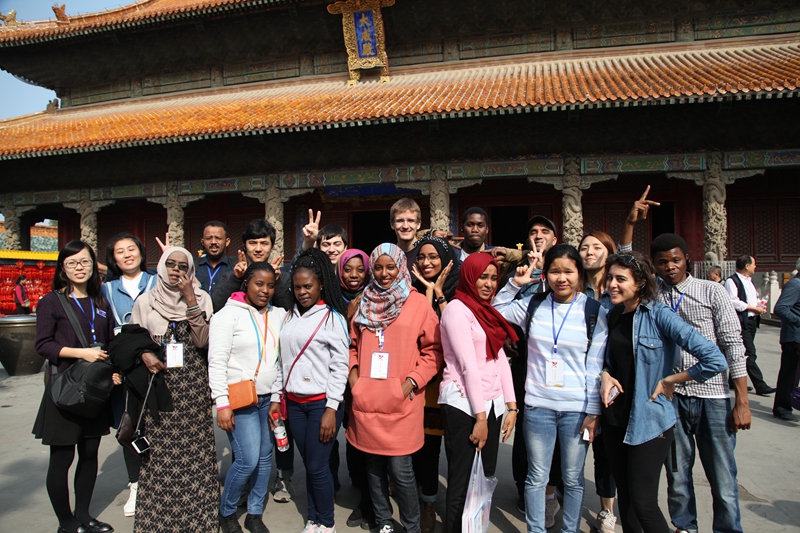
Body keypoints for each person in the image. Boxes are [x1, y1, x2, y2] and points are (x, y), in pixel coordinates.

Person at [600, 252, 728, 533]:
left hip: (649, 420)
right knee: (627, 500)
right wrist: (605, 373)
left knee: (644, 504)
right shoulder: (614, 314)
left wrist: (674, 379)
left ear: (641, 283)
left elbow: (715, 359)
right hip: (614, 419)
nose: (612, 284)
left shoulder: (660, 315)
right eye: (610, 278)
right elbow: (610, 360)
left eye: (621, 279)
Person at [494, 244, 609, 533]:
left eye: (568, 271)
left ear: (579, 274)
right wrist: (515, 284)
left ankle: (569, 530)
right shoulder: (534, 305)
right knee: (536, 477)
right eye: (555, 271)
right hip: (538, 406)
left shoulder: (594, 311)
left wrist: (593, 412)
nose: (562, 278)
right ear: (545, 274)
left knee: (573, 478)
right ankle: (536, 529)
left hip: (576, 409)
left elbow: (595, 366)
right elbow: (495, 311)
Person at [649, 233, 750, 533]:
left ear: (687, 260)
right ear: (654, 265)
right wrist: (630, 223)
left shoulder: (712, 291)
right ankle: (685, 527)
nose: (670, 267)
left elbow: (733, 345)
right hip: (671, 397)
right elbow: (626, 261)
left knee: (722, 476)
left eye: (676, 260)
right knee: (677, 475)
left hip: (713, 396)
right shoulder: (653, 294)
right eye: (662, 262)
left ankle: (728, 529)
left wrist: (742, 402)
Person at [347, 243, 443, 533]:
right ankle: (384, 522)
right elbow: (352, 346)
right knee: (374, 469)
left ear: (400, 267)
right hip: (367, 401)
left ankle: (412, 526)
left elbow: (433, 350)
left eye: (391, 267)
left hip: (402, 402)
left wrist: (411, 382)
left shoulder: (418, 304)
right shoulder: (364, 301)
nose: (384, 273)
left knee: (401, 472)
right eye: (378, 267)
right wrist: (354, 379)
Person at [33, 240, 119, 533]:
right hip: (66, 389)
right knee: (62, 458)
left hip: (94, 390)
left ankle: (83, 515)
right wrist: (81, 353)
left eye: (84, 262)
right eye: (72, 263)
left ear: (93, 265)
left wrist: (114, 371)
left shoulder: (100, 301)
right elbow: (43, 344)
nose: (79, 268)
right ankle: (66, 522)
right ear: (63, 268)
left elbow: (110, 341)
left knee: (90, 453)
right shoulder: (51, 301)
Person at [130, 246, 218, 533]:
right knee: (160, 456)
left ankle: (198, 521)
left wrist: (191, 299)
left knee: (195, 455)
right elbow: (132, 340)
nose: (176, 271)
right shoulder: (147, 301)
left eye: (182, 266)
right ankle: (159, 523)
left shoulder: (203, 298)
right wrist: (145, 353)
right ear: (161, 267)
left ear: (190, 270)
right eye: (171, 264)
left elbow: (203, 341)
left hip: (193, 389)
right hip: (159, 386)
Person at [268, 248, 350, 533]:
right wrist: (276, 398)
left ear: (321, 285)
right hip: (294, 405)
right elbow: (281, 362)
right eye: (297, 287)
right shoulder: (289, 317)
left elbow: (340, 367)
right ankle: (313, 519)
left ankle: (327, 523)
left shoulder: (333, 318)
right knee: (310, 464)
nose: (302, 292)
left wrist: (331, 408)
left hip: (321, 405)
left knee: (317, 466)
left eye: (308, 286)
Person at [439, 252, 517, 533]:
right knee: (462, 482)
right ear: (469, 277)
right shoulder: (457, 310)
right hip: (464, 404)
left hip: (492, 403)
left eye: (494, 278)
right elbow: (468, 365)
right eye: (483, 277)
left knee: (484, 478)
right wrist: (480, 418)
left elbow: (499, 358)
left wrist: (511, 406)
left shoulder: (486, 309)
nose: (489, 284)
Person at [490, 215, 561, 522]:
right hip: (524, 360)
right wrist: (506, 338)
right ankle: (524, 487)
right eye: (533, 231)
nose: (538, 236)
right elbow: (499, 310)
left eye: (545, 231)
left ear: (555, 240)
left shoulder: (563, 269)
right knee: (524, 428)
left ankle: (552, 488)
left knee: (558, 426)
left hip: (558, 366)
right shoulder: (517, 270)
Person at [209, 262, 287, 533]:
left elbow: (281, 361)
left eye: (270, 285)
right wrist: (222, 404)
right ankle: (227, 512)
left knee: (265, 458)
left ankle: (254, 513)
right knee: (246, 460)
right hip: (241, 400)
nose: (265, 290)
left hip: (268, 399)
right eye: (259, 284)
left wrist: (276, 397)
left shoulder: (279, 314)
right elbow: (216, 362)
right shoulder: (226, 315)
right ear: (246, 284)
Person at [101, 232, 158, 517]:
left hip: (156, 364)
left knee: (159, 424)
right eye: (120, 251)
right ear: (113, 259)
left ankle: (159, 482)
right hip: (125, 367)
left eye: (131, 249)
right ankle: (136, 485)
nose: (127, 255)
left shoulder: (156, 281)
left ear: (141, 252)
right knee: (130, 426)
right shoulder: (107, 290)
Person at [409, 236, 459, 533]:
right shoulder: (410, 291)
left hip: (454, 383)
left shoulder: (460, 291)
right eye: (422, 257)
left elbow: (455, 333)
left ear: (446, 260)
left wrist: (438, 294)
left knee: (455, 450)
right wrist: (425, 295)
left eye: (433, 257)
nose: (426, 262)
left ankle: (457, 506)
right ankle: (428, 501)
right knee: (427, 449)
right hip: (425, 383)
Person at [577, 230, 619, 532]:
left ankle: (607, 510)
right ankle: (562, 498)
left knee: (606, 450)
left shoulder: (617, 290)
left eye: (596, 247)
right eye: (584, 247)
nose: (589, 252)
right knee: (573, 446)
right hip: (575, 379)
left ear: (609, 252)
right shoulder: (572, 287)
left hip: (610, 378)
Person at [724, 255, 774, 395]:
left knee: (742, 351)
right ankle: (760, 385)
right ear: (747, 266)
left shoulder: (749, 281)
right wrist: (752, 308)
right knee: (749, 353)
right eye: (753, 264)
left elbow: (753, 299)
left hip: (752, 321)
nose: (755, 267)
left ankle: (733, 381)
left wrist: (759, 306)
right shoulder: (732, 281)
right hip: (742, 321)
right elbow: (733, 301)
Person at [772, 257, 800, 421]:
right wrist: (798, 320)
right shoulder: (795, 285)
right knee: (790, 375)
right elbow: (780, 308)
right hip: (794, 338)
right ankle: (782, 407)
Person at [195, 221, 233, 296]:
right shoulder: (194, 265)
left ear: (227, 242)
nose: (213, 242)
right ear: (202, 241)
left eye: (218, 238)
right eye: (208, 238)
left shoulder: (234, 267)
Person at [339, 248, 370, 321]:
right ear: (340, 272)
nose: (354, 275)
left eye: (360, 270)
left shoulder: (375, 298)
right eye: (347, 270)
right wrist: (348, 314)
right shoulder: (330, 300)